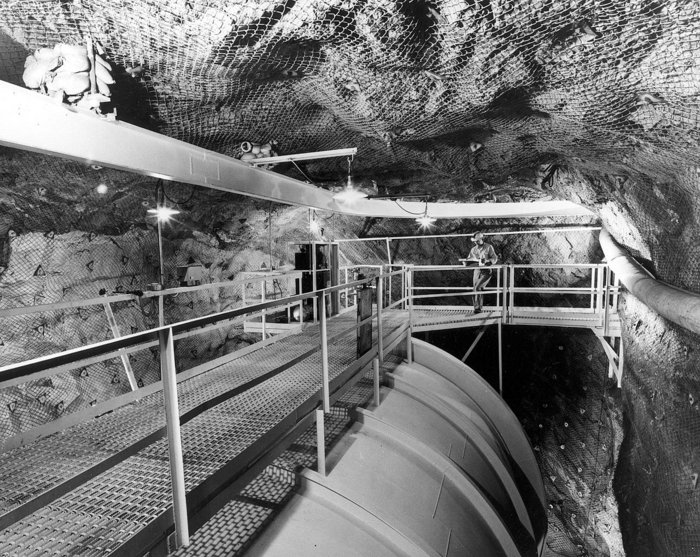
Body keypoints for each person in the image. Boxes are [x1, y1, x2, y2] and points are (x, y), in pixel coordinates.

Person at [467, 232, 498, 313]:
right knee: (475, 288)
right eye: (474, 241)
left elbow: (494, 258)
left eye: (476, 241)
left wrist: (489, 261)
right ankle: (477, 307)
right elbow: (469, 259)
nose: (475, 242)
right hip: (477, 270)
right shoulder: (473, 249)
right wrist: (466, 262)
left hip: (486, 271)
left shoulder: (488, 247)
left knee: (478, 287)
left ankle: (478, 308)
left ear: (481, 239)